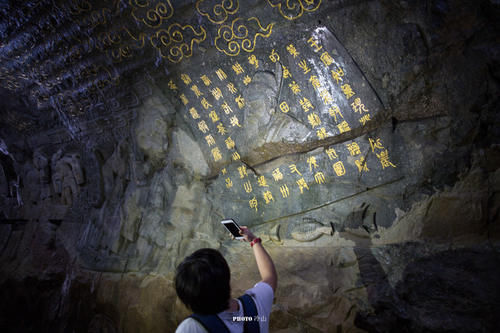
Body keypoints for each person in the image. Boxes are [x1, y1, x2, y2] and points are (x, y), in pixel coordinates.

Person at [175, 226, 277, 333]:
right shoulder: (256, 306)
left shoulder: (191, 328)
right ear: (227, 276)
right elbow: (270, 277)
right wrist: (253, 240)